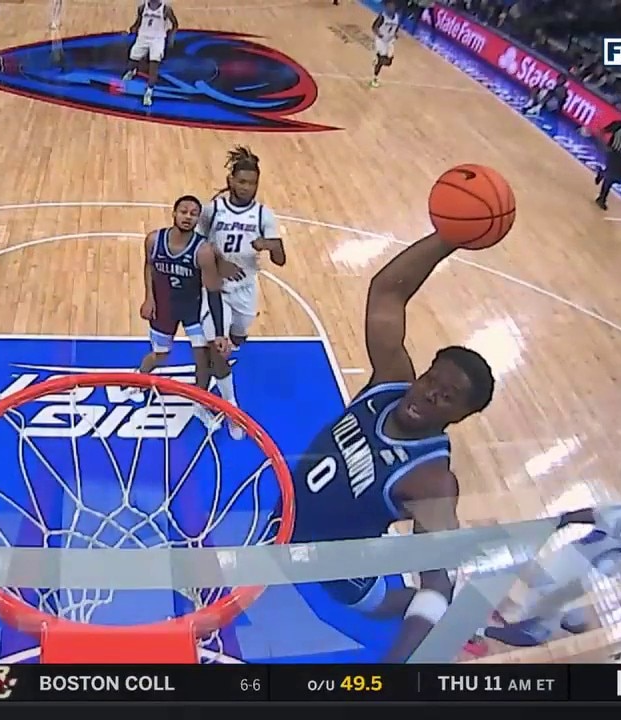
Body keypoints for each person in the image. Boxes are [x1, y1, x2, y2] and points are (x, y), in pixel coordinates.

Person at [286, 232, 496, 662]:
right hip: (284, 519)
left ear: (461, 416)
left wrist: (394, 667)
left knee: (388, 604)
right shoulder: (389, 383)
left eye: (448, 397)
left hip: (341, 573)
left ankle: (460, 624)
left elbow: (435, 581)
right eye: (431, 380)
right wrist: (448, 237)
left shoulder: (431, 481)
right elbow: (387, 292)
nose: (428, 395)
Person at [467, 499, 621, 652]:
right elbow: (573, 589)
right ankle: (478, 630)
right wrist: (547, 605)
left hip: (568, 560)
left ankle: (567, 624)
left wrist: (562, 521)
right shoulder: (620, 558)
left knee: (577, 622)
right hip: (561, 583)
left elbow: (589, 514)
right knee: (532, 634)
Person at [196, 147, 285, 439]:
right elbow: (195, 246)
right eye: (243, 182)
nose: (247, 188)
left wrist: (271, 246)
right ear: (231, 180)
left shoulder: (264, 215)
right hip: (215, 290)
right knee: (219, 349)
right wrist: (219, 262)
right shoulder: (213, 211)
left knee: (237, 339)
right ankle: (231, 408)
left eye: (253, 183)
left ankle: (212, 369)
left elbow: (281, 258)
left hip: (246, 288)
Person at [132, 195, 231, 396]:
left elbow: (213, 291)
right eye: (184, 212)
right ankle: (138, 379)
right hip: (164, 307)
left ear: (198, 219)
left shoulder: (203, 251)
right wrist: (149, 298)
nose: (188, 217)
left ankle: (199, 400)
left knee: (202, 358)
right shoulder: (153, 239)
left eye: (194, 214)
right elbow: (149, 266)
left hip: (192, 309)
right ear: (174, 214)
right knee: (160, 355)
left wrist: (219, 332)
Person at [121, 0, 179, 107]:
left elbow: (175, 24)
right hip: (142, 38)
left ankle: (149, 92)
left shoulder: (166, 9)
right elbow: (138, 23)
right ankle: (132, 70)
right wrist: (130, 30)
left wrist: (171, 36)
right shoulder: (142, 8)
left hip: (157, 40)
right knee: (131, 62)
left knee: (154, 66)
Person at [591, 108, 621, 210]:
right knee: (610, 177)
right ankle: (602, 199)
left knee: (620, 179)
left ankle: (602, 173)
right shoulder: (618, 125)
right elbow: (602, 131)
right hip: (613, 152)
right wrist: (603, 145)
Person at [370, 0, 402, 89]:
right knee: (381, 60)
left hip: (390, 41)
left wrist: (395, 34)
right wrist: (378, 33)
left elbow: (396, 28)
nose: (390, 8)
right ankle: (374, 78)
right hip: (381, 40)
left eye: (392, 6)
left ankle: (377, 57)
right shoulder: (382, 16)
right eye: (389, 6)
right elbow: (374, 27)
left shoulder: (396, 17)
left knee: (388, 62)